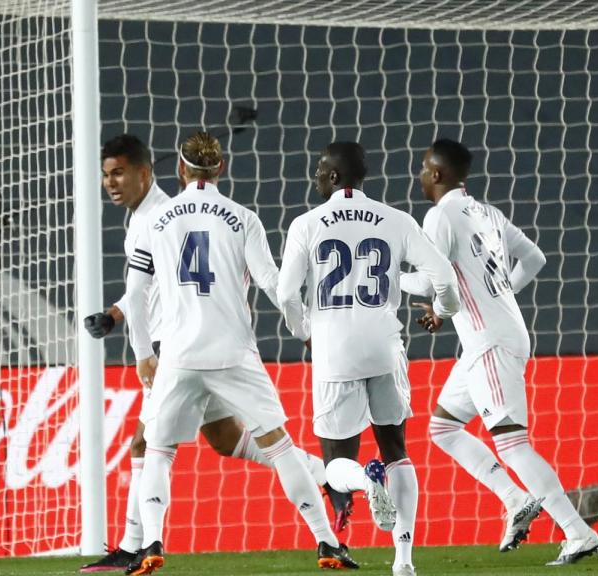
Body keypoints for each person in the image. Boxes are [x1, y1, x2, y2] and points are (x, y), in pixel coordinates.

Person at [80, 134, 330, 573]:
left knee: (151, 445)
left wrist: (141, 351)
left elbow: (142, 290)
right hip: (228, 351)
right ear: (221, 167)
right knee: (232, 439)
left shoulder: (157, 218)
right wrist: (304, 328)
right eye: (106, 175)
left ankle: (137, 543)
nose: (110, 183)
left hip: (174, 351)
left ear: (162, 171)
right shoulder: (240, 217)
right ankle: (327, 487)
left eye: (118, 172)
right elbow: (272, 283)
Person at [405, 138, 598, 565]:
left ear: (437, 174)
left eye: (423, 168)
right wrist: (493, 294)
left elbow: (425, 281)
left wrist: (384, 277)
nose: (420, 175)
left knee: (513, 445)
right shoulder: (487, 213)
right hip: (492, 336)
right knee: (443, 429)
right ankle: (514, 499)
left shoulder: (440, 215)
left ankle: (577, 532)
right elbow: (534, 258)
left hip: (489, 342)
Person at [277, 142, 461, 576]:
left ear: (337, 177)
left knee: (338, 459)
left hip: (334, 352)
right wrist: (445, 312)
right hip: (384, 346)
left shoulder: (306, 224)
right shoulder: (397, 220)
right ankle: (403, 562)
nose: (317, 177)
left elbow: (286, 294)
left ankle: (364, 480)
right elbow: (444, 278)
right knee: (397, 450)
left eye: (322, 170)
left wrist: (305, 332)